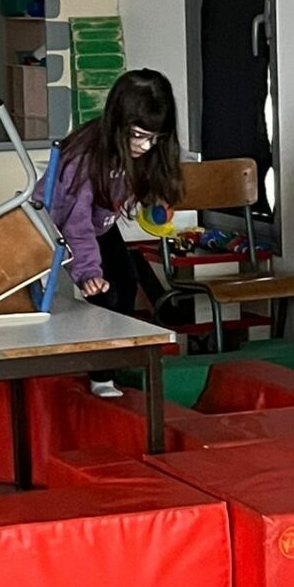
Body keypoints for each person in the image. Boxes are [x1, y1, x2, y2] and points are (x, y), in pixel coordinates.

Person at [43, 69, 181, 395]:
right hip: (60, 226)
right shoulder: (83, 158)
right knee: (104, 294)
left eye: (155, 138)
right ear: (118, 123)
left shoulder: (138, 148)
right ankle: (101, 376)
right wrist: (87, 271)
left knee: (126, 283)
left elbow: (141, 183)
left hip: (99, 224)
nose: (146, 145)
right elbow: (75, 224)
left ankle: (110, 367)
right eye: (139, 135)